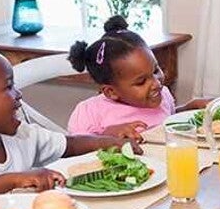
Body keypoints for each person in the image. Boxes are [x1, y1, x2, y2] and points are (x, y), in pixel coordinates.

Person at [0, 46, 140, 206]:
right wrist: (14, 179)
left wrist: (110, 143)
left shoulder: (22, 135)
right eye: (8, 87)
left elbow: (70, 145)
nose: (18, 94)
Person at [67, 16, 206, 138]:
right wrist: (107, 135)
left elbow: (168, 118)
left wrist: (190, 107)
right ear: (111, 92)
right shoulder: (89, 112)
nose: (156, 83)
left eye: (156, 70)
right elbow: (76, 150)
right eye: (141, 82)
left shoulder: (162, 95)